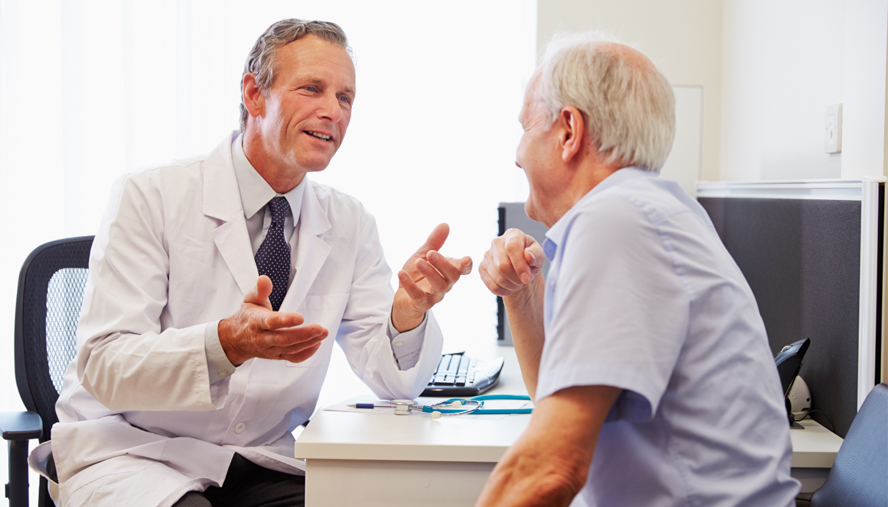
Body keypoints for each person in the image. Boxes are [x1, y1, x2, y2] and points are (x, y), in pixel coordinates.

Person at [37, 19, 471, 507]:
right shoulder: (151, 196)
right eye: (313, 89)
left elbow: (395, 381)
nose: (333, 111)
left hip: (260, 456)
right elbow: (104, 365)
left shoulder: (349, 221)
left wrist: (407, 313)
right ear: (254, 94)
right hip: (134, 452)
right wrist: (225, 344)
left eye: (346, 98)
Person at [475, 33, 800, 507]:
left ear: (568, 131)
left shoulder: (616, 220)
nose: (516, 154)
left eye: (525, 128)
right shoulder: (644, 210)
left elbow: (550, 468)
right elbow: (554, 394)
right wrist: (522, 292)